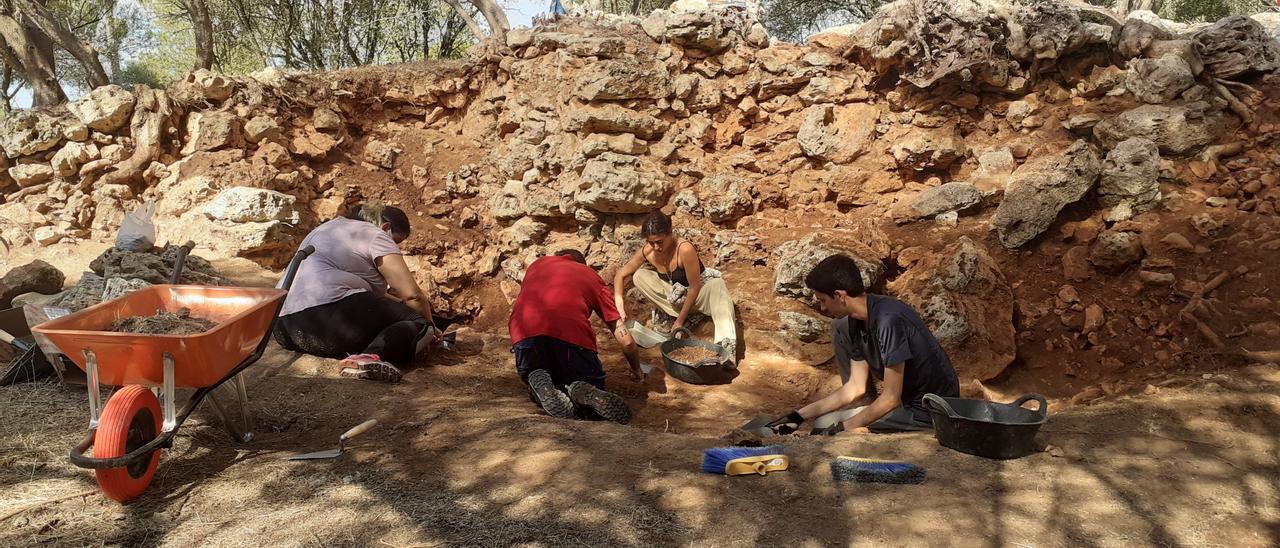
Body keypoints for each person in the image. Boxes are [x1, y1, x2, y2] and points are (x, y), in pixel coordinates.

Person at [764, 255, 960, 435]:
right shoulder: (857, 320)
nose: (822, 308)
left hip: (930, 412)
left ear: (840, 296)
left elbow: (891, 397)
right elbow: (855, 387)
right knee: (822, 423)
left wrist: (843, 429)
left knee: (826, 430)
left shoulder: (888, 320)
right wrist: (797, 416)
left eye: (823, 300)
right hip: (907, 405)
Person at [273, 203, 444, 383]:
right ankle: (369, 357)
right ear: (386, 228)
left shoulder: (328, 228)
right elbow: (413, 296)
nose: (396, 248)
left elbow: (366, 296)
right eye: (396, 242)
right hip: (326, 319)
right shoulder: (376, 234)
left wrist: (400, 306)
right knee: (418, 324)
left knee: (399, 320)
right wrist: (429, 325)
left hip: (283, 327)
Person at [509, 249, 633, 423]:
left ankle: (540, 384)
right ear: (582, 264)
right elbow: (626, 340)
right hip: (571, 337)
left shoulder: (537, 265)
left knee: (536, 373)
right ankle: (581, 388)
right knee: (582, 378)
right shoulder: (589, 275)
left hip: (524, 335)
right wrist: (636, 369)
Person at [612, 211, 738, 368]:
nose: (656, 247)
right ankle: (673, 318)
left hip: (698, 296)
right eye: (651, 243)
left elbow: (694, 287)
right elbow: (621, 274)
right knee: (640, 275)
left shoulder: (684, 249)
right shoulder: (648, 251)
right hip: (674, 299)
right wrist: (619, 304)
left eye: (660, 241)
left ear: (670, 232)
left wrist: (679, 322)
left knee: (718, 285)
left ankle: (726, 350)